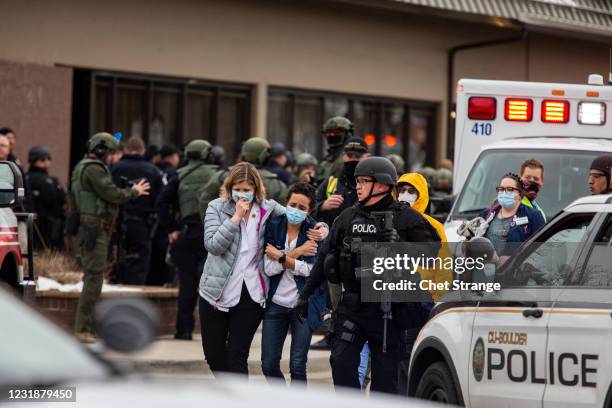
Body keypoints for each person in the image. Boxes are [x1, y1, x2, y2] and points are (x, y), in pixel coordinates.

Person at [296, 157, 440, 394]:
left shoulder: (406, 217)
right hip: (353, 306)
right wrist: (305, 294)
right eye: (357, 181)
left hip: (389, 310)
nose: (358, 187)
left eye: (364, 181)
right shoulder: (348, 217)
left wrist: (401, 246)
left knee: (386, 383)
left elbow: (433, 253)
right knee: (341, 365)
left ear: (382, 185)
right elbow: (325, 256)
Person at [198, 162, 327, 376]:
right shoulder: (216, 207)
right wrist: (236, 218)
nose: (242, 194)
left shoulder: (267, 209)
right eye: (237, 188)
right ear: (229, 187)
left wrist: (323, 228)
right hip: (215, 292)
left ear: (256, 190)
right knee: (214, 356)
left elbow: (298, 214)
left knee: (237, 355)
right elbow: (213, 245)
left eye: (247, 190)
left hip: (252, 293)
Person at [70, 132, 150, 343]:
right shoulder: (94, 169)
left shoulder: (82, 166)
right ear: (101, 150)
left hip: (90, 228)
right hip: (94, 229)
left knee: (92, 278)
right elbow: (111, 193)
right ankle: (82, 328)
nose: (114, 158)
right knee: (94, 280)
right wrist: (133, 192)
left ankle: (85, 327)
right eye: (112, 153)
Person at [261, 182, 326, 384]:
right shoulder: (274, 225)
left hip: (303, 306)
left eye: (302, 208)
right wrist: (297, 253)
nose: (295, 210)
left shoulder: (315, 232)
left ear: (309, 211)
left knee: (298, 366)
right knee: (268, 365)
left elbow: (312, 271)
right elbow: (268, 269)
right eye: (293, 204)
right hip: (275, 304)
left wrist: (281, 258)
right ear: (286, 202)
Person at [156, 139, 219, 339]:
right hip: (213, 233)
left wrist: (172, 228)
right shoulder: (217, 174)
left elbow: (161, 204)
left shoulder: (179, 175)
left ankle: (183, 330)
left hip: (187, 233)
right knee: (213, 283)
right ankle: (213, 331)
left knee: (187, 284)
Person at [310, 137, 369, 351]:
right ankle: (331, 334)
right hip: (335, 247)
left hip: (363, 248)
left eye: (357, 156)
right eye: (349, 156)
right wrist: (323, 205)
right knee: (332, 293)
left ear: (366, 157)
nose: (352, 160)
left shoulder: (371, 181)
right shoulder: (333, 181)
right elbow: (310, 205)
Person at [110, 136, 163, 285]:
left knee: (115, 260)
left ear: (125, 150)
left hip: (115, 222)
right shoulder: (153, 171)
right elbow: (161, 200)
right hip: (143, 223)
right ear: (143, 151)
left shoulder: (113, 168)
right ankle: (133, 298)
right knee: (139, 261)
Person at [397, 172, 450, 301]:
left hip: (425, 296)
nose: (405, 195)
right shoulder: (389, 221)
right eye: (402, 190)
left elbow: (444, 266)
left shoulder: (434, 226)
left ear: (420, 194)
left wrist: (437, 298)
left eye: (411, 191)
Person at [198, 137, 288, 213]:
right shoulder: (277, 184)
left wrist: (212, 225)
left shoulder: (221, 176)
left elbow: (205, 200)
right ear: (265, 156)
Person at [480, 173, 545, 258]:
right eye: (501, 189)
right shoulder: (487, 214)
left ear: (520, 194)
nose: (504, 193)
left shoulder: (533, 216)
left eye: (510, 189)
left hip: (517, 269)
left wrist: (512, 259)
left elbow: (542, 250)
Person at [26, 146, 66, 251]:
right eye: (42, 159)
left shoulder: (47, 180)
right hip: (42, 222)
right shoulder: (39, 180)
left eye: (48, 158)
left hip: (49, 223)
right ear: (33, 160)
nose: (46, 162)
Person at [316, 116, 354, 185]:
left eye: (336, 133)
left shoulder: (352, 158)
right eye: (328, 133)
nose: (331, 135)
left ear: (348, 134)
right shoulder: (325, 162)